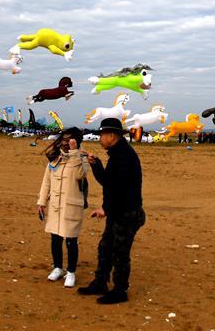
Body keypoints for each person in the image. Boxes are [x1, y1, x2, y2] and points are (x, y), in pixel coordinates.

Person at [79, 118, 145, 305]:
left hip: (127, 214)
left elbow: (118, 187)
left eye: (102, 135)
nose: (100, 138)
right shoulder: (117, 153)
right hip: (117, 211)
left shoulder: (124, 156)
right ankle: (100, 282)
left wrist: (105, 208)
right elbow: (109, 183)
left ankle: (120, 291)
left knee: (120, 253)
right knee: (105, 248)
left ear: (112, 136)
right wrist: (96, 164)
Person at [37, 127, 88, 289]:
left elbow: (79, 175)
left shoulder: (82, 158)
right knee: (55, 238)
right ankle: (58, 267)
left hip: (71, 206)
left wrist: (74, 152)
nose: (66, 143)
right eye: (64, 139)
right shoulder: (54, 158)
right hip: (55, 206)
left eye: (70, 140)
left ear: (77, 141)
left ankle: (71, 272)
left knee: (71, 240)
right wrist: (41, 202)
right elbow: (47, 181)